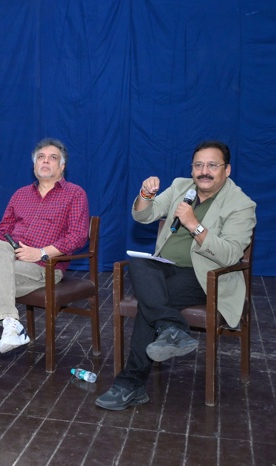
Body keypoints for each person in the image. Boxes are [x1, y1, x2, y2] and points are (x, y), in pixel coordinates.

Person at [95, 140, 256, 410]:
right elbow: (144, 217)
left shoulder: (241, 204)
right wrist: (146, 195)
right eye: (198, 165)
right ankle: (172, 327)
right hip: (166, 266)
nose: (204, 171)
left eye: (212, 165)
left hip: (207, 275)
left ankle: (130, 385)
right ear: (192, 168)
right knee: (138, 264)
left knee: (150, 304)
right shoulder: (182, 187)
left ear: (226, 170)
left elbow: (230, 255)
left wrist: (194, 224)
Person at [0, 138, 90, 388]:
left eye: (52, 158)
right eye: (41, 157)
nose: (46, 161)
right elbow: (3, 230)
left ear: (62, 166)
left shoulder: (75, 194)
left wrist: (41, 252)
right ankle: (10, 323)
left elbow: (77, 236)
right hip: (10, 260)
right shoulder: (20, 195)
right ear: (34, 164)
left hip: (45, 267)